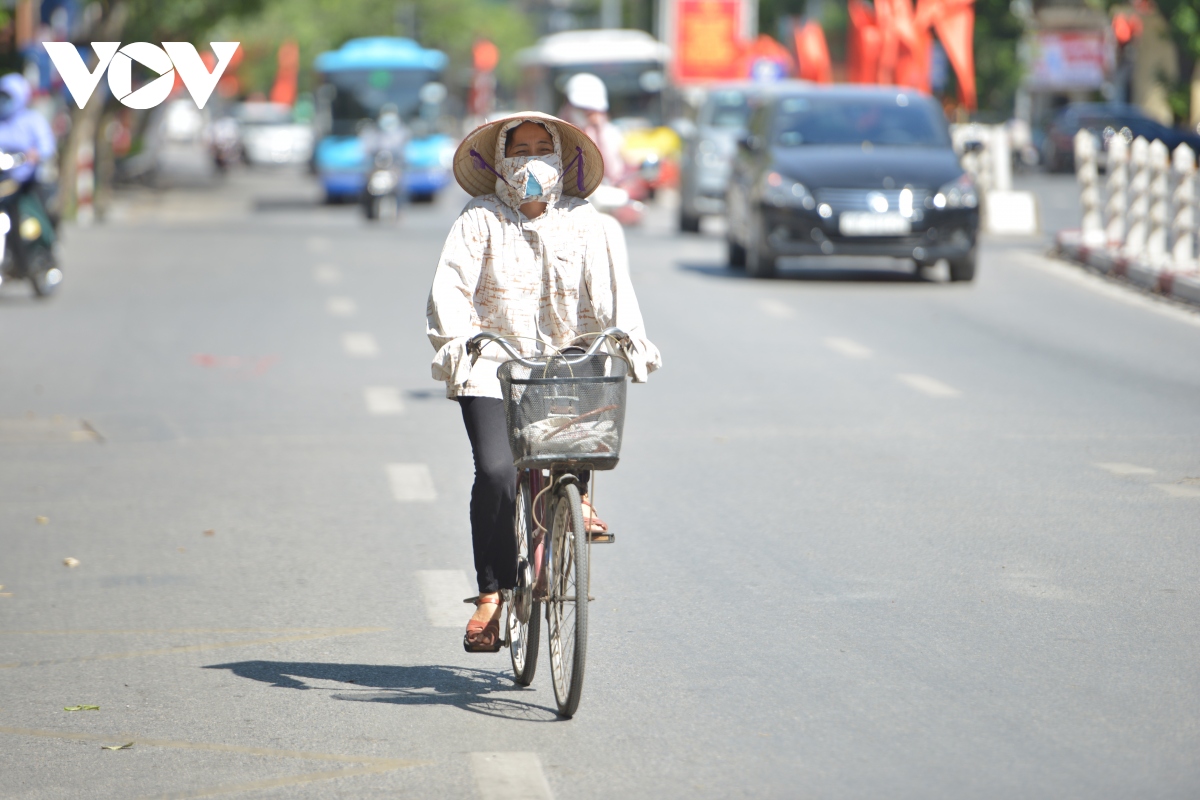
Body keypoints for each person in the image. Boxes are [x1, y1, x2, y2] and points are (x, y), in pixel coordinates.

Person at [427, 112, 660, 652]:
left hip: (565, 362)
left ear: (560, 159)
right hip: (494, 364)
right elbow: (452, 288)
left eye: (542, 149)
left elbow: (612, 294)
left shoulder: (586, 222)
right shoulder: (478, 219)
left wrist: (626, 337)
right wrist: (459, 340)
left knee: (582, 425)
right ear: (501, 162)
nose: (532, 160)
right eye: (521, 150)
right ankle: (491, 594)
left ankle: (571, 501)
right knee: (496, 470)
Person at [0, 73, 57, 223]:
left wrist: (36, 154)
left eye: (8, 96)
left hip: (27, 181)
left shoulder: (32, 119)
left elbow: (47, 145)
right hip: (3, 179)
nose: (4, 100)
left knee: (42, 214)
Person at [560, 73, 626, 185]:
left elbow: (614, 174)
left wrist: (599, 133)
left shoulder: (610, 133)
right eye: (582, 108)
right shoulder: (556, 132)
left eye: (591, 110)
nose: (586, 113)